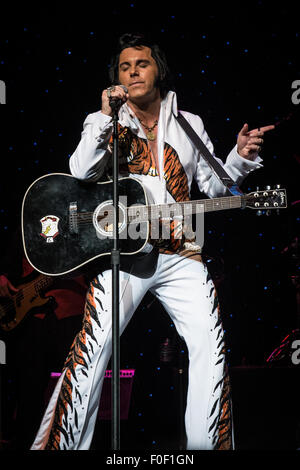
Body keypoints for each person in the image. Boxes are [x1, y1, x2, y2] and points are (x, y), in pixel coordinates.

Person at [30, 32, 274, 450]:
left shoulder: (189, 123)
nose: (132, 72)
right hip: (125, 254)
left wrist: (240, 158)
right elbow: (81, 171)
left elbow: (215, 186)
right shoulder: (109, 120)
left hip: (182, 251)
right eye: (124, 67)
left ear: (158, 69)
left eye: (140, 64)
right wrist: (103, 116)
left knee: (209, 348)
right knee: (92, 350)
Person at [0, 229, 87, 449]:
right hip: (32, 316)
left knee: (75, 390)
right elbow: (12, 250)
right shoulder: (27, 212)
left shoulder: (81, 210)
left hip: (71, 310)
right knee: (28, 392)